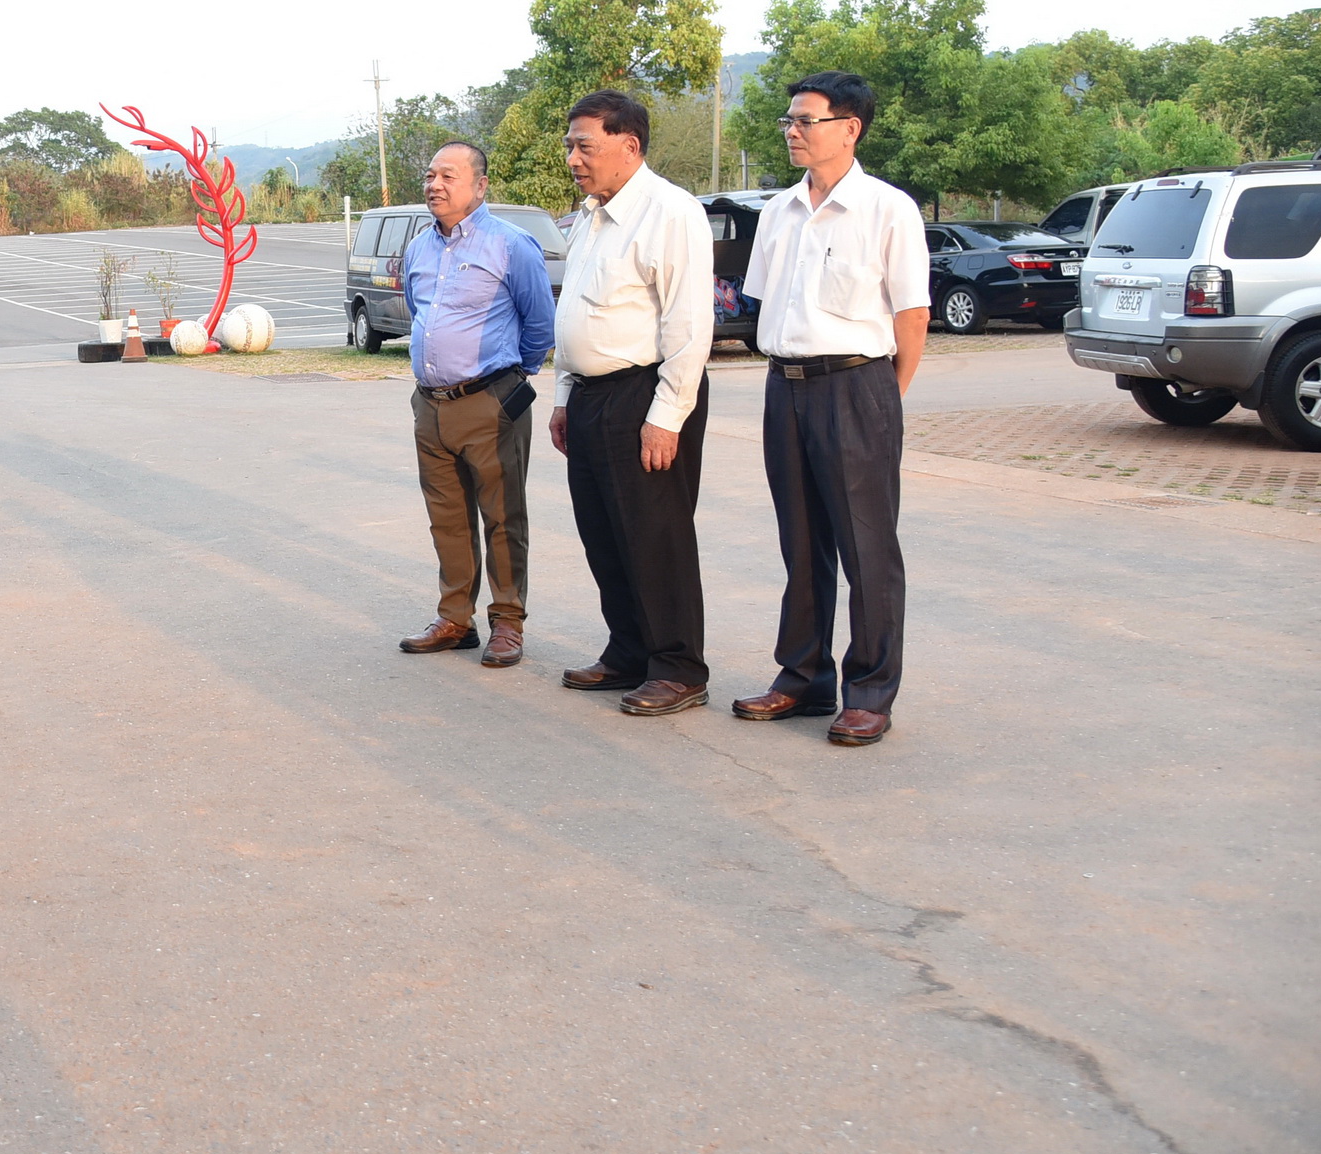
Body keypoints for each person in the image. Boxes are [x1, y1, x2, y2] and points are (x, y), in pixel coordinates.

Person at [734, 73, 930, 747]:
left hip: (855, 385)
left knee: (865, 545)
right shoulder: (778, 211)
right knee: (800, 541)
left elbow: (911, 316)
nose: (792, 130)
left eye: (805, 120)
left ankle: (869, 690)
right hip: (783, 385)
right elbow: (766, 302)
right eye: (788, 119)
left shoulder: (886, 209)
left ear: (849, 128)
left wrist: (882, 403)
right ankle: (804, 675)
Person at [546, 90, 715, 716]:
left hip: (645, 395)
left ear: (629, 145)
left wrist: (666, 417)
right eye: (569, 146)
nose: (572, 159)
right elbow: (576, 315)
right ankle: (629, 649)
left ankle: (678, 667)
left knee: (656, 534)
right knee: (603, 532)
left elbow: (690, 327)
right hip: (590, 398)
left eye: (584, 145)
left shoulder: (670, 212)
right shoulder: (592, 216)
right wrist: (564, 394)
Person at [394, 141, 554, 668]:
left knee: (503, 515)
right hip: (431, 406)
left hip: (490, 401)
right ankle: (454, 618)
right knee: (447, 516)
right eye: (430, 175)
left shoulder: (511, 245)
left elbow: (539, 325)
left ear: (480, 186)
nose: (435, 185)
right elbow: (420, 312)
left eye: (449, 176)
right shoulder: (419, 248)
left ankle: (507, 622)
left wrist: (509, 379)